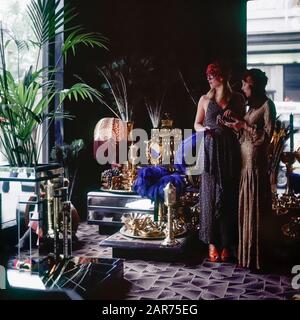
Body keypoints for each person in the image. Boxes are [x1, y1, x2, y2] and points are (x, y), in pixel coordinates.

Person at [222, 68, 276, 271]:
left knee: (255, 208)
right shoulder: (251, 108)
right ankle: (246, 256)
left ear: (253, 85)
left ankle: (257, 258)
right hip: (244, 164)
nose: (242, 88)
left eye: (245, 85)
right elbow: (244, 133)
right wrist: (234, 126)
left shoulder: (267, 106)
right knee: (246, 207)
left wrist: (243, 125)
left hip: (255, 166)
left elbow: (267, 136)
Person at [194, 62, 245, 262]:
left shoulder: (238, 99)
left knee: (229, 195)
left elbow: (242, 126)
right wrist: (203, 130)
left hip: (230, 150)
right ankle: (212, 242)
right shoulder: (205, 99)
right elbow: (196, 123)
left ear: (221, 76)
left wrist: (234, 123)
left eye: (212, 75)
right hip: (210, 148)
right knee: (210, 194)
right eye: (208, 76)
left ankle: (227, 242)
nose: (209, 79)